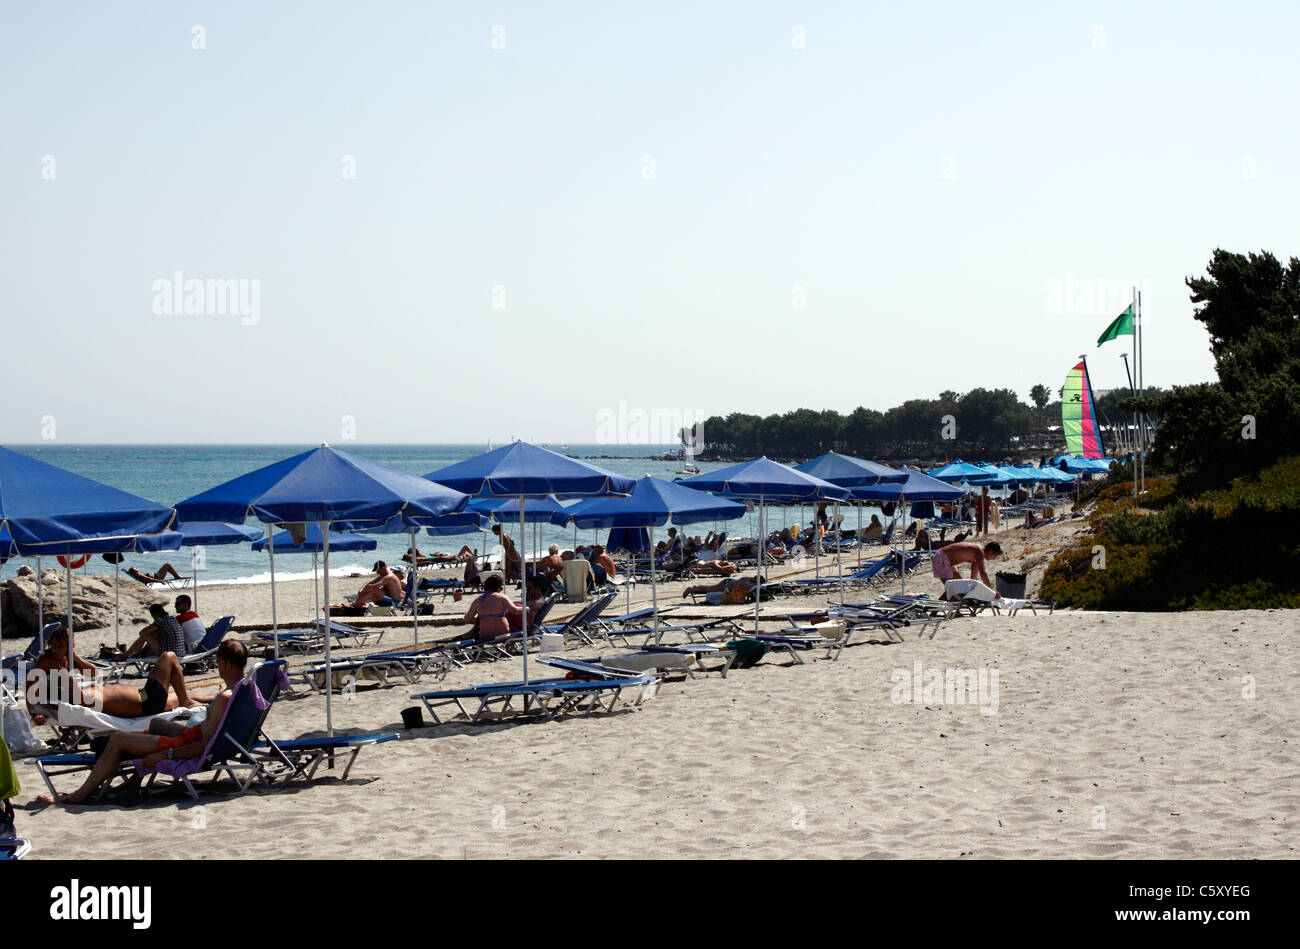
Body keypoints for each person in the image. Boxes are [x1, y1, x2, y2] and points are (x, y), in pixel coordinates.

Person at [40, 640, 249, 806]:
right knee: (157, 723)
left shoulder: (224, 698)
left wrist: (163, 755)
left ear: (224, 663)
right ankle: (133, 782)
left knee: (118, 740)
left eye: (218, 662)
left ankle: (79, 795)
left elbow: (202, 746)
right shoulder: (244, 690)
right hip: (195, 737)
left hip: (187, 745)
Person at [28, 626, 194, 719]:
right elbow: (30, 688)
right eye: (54, 646)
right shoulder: (47, 662)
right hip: (144, 702)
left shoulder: (66, 661)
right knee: (169, 657)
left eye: (61, 647)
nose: (56, 650)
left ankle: (192, 700)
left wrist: (73, 656)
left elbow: (92, 674)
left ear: (69, 647)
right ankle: (186, 700)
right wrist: (34, 713)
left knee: (175, 698)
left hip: (142, 697)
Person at [101, 603, 188, 660]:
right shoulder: (172, 618)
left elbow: (142, 633)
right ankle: (137, 654)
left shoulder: (160, 620)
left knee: (145, 636)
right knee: (153, 637)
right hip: (181, 652)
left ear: (154, 614)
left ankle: (125, 656)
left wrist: (151, 632)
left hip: (170, 653)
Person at [931, 541, 1002, 592]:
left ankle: (956, 612)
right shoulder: (979, 551)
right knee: (954, 590)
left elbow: (973, 579)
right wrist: (992, 592)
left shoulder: (978, 556)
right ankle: (934, 612)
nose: (994, 558)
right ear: (991, 551)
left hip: (946, 560)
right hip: (941, 558)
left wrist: (972, 590)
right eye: (995, 556)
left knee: (962, 588)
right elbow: (983, 572)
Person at [463, 575, 515, 641]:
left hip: (485, 636)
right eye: (501, 588)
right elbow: (515, 610)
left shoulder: (478, 601)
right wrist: (527, 608)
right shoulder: (502, 598)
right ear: (498, 587)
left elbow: (466, 619)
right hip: (503, 634)